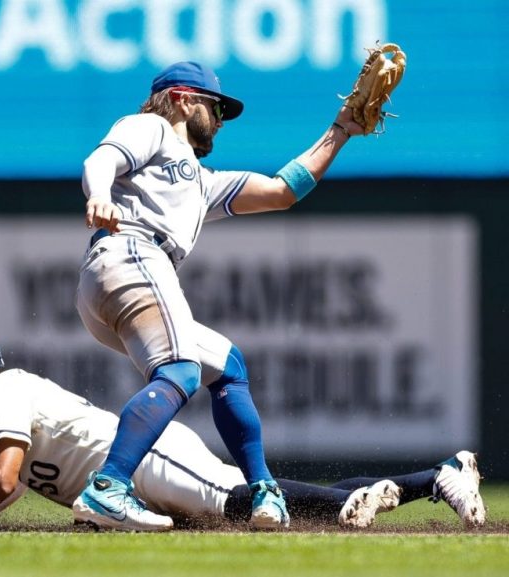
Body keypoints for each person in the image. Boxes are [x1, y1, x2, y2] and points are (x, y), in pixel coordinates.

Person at [73, 61, 374, 531]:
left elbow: (281, 191)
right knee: (179, 370)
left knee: (227, 365)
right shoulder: (151, 127)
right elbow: (101, 159)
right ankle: (108, 486)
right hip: (130, 251)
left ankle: (263, 493)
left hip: (121, 277)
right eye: (213, 106)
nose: (219, 118)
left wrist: (342, 130)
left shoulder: (201, 180)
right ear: (179, 98)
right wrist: (99, 193)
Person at [0, 322, 487, 531]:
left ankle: (435, 476)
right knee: (254, 508)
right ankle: (432, 478)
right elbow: (2, 490)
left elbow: (0, 478)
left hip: (147, 458)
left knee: (247, 504)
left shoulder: (7, 389)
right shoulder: (1, 402)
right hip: (137, 475)